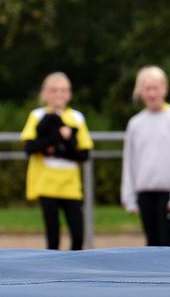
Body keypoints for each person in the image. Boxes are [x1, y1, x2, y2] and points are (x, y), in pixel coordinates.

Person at [20, 72, 93, 250]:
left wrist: (61, 147)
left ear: (69, 94)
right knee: (53, 235)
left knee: (77, 234)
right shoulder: (37, 116)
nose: (58, 95)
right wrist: (56, 137)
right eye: (54, 90)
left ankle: (76, 273)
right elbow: (30, 147)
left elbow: (84, 154)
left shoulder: (76, 117)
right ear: (44, 93)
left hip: (70, 186)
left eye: (63, 90)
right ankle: (54, 274)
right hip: (46, 184)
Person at [121, 65, 170, 246]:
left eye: (155, 88)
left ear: (164, 89)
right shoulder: (135, 123)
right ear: (140, 91)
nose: (152, 94)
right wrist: (129, 197)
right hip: (145, 192)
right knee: (151, 241)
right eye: (147, 89)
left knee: (166, 241)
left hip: (168, 193)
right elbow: (130, 161)